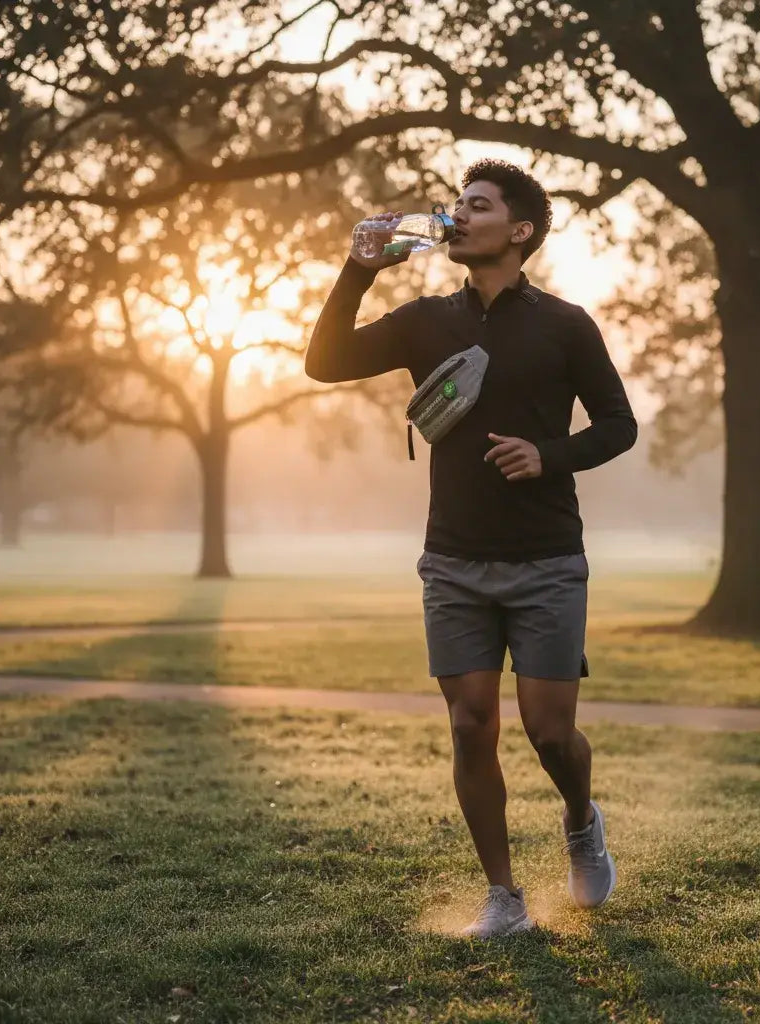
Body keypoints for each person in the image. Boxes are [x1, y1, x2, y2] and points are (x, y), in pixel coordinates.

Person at [305, 159, 638, 939]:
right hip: (453, 559)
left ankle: (581, 821)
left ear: (520, 230)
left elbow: (619, 425)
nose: (458, 214)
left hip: (547, 559)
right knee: (469, 725)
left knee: (550, 733)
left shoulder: (566, 325)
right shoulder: (423, 320)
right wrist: (358, 271)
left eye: (477, 205)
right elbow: (324, 362)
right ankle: (504, 897)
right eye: (455, 203)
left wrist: (547, 455)